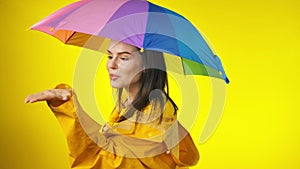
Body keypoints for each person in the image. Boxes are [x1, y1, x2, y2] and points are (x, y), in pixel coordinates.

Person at [25, 41, 199, 169]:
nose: (111, 65)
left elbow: (115, 161)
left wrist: (70, 107)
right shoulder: (125, 106)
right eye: (109, 56)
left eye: (123, 58)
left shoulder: (155, 112)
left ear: (146, 66)